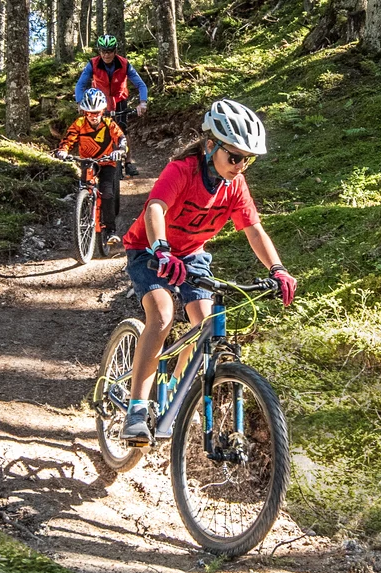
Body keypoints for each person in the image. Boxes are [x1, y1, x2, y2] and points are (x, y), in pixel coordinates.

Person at [119, 99, 297, 444]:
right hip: (149, 249)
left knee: (205, 326)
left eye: (248, 159)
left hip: (191, 254)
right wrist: (160, 248)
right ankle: (137, 407)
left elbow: (254, 230)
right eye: (234, 157)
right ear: (211, 145)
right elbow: (155, 208)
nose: (240, 166)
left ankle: (174, 390)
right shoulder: (182, 171)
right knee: (162, 315)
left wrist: (277, 268)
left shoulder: (235, 185)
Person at [53, 89, 129, 249]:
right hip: (87, 162)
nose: (93, 116)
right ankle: (84, 215)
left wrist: (120, 150)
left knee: (107, 193)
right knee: (84, 189)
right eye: (89, 113)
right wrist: (63, 150)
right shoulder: (79, 124)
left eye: (97, 112)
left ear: (102, 111)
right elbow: (68, 139)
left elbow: (121, 138)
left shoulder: (109, 123)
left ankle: (110, 230)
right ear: (84, 112)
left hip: (107, 162)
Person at [74, 35, 149, 177]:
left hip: (119, 99)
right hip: (100, 101)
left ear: (115, 51)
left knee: (122, 130)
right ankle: (98, 161)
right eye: (103, 51)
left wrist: (143, 102)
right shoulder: (93, 64)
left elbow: (140, 84)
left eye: (109, 51)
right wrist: (80, 102)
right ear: (99, 51)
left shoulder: (124, 64)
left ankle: (128, 162)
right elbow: (80, 84)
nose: (106, 54)